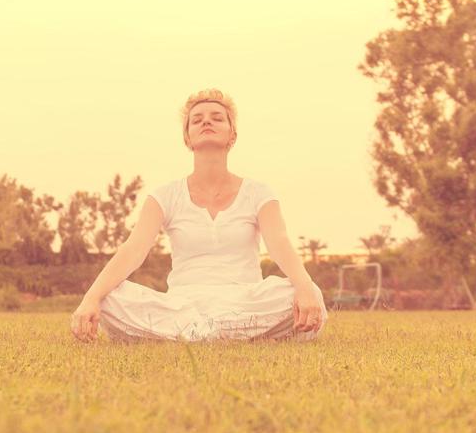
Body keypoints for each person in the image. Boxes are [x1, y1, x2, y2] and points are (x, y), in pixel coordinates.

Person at [70, 89, 328, 342]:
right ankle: (216, 333)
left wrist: (305, 289)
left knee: (307, 292)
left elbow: (280, 244)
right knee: (110, 298)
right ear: (187, 137)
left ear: (232, 134)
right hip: (181, 305)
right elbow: (133, 250)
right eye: (197, 119)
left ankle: (196, 334)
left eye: (217, 118)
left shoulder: (259, 193)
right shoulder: (165, 195)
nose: (206, 121)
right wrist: (91, 298)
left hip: (244, 301)